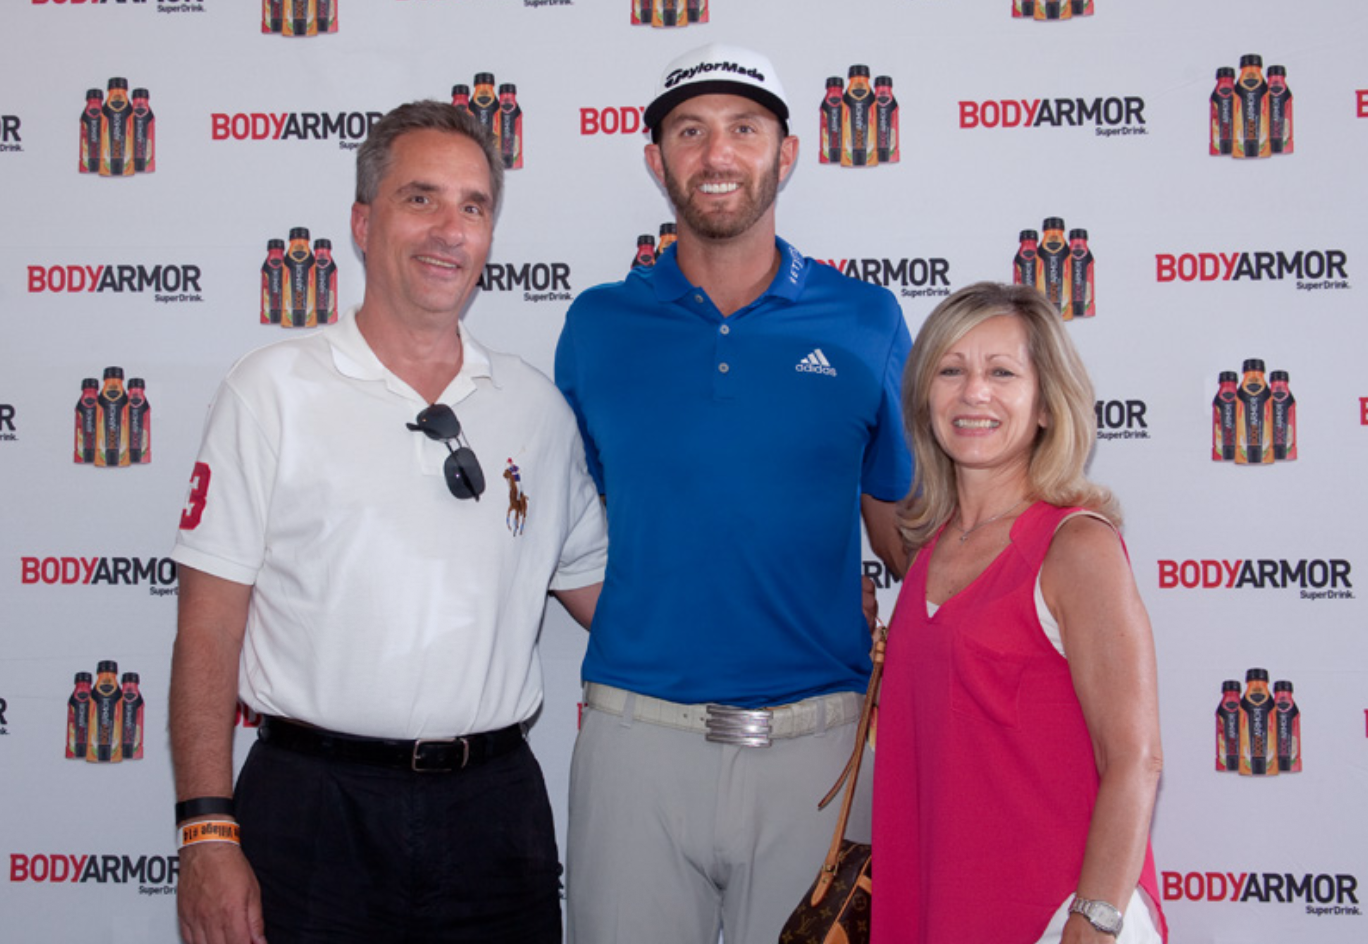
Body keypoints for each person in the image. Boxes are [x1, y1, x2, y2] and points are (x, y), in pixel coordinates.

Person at [167, 101, 607, 944]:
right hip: (310, 811)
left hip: (495, 815)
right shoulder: (270, 391)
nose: (450, 229)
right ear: (363, 223)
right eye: (421, 199)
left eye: (473, 206)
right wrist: (206, 831)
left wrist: (786, 598)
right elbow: (208, 630)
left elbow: (613, 603)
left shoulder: (536, 410)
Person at [554, 43, 913, 944]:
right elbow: (559, 535)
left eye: (745, 130)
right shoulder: (596, 327)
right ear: (657, 160)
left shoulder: (866, 321)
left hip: (819, 751)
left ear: (787, 154)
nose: (718, 155)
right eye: (691, 131)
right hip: (637, 742)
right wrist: (660, 617)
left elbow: (909, 538)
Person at [871, 282, 1168, 944]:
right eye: (951, 370)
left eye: (1002, 372)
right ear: (925, 396)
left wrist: (1094, 921)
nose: (974, 392)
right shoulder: (929, 550)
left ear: (1043, 404)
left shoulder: (1076, 546)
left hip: (1054, 919)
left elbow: (1136, 758)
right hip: (940, 910)